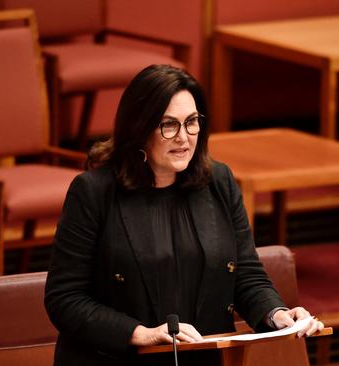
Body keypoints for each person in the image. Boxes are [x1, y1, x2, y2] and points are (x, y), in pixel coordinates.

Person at [44, 64, 324, 366]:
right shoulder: (94, 192)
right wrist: (141, 333)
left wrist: (278, 314)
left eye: (191, 122)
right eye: (168, 125)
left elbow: (245, 274)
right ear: (138, 129)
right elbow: (65, 298)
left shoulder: (219, 181)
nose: (184, 137)